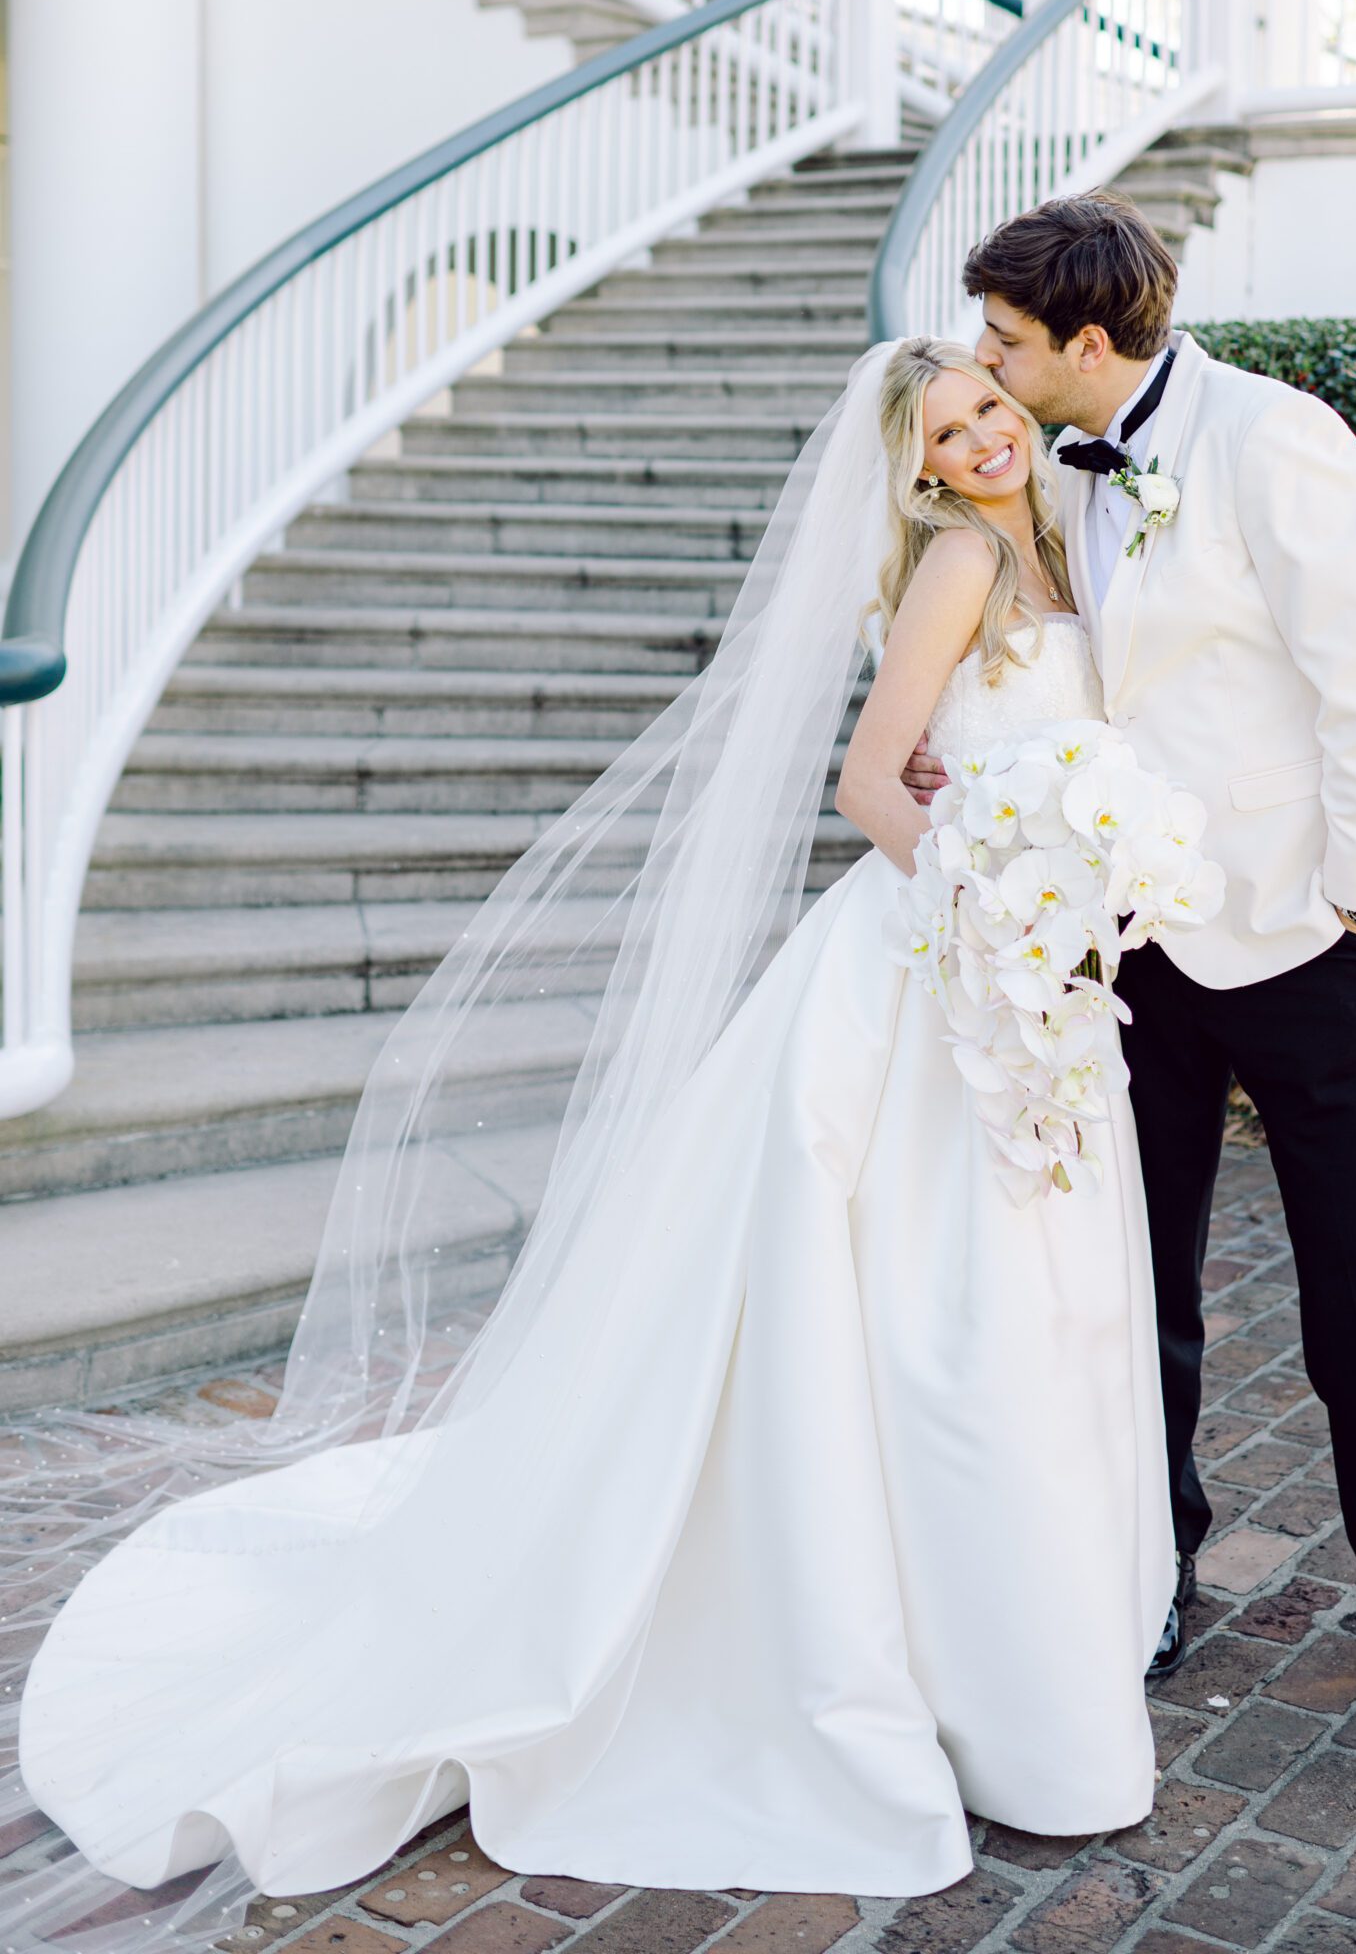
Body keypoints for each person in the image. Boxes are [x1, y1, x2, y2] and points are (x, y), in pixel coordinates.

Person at [11, 339, 1176, 1937]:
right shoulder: (963, 564)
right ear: (912, 468)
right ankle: (950, 1660)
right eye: (946, 430)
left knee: (1028, 1300)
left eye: (986, 406)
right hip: (950, 965)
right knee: (927, 1312)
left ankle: (1023, 1639)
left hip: (1038, 983)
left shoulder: (1067, 533)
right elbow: (867, 782)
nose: (979, 437)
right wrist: (991, 914)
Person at [904, 191, 1356, 1739]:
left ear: (1087, 342)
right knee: (1144, 1280)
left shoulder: (1274, 437)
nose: (989, 366)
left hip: (1301, 930)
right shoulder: (1046, 468)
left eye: (1006, 341)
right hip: (1126, 950)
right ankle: (1154, 1562)